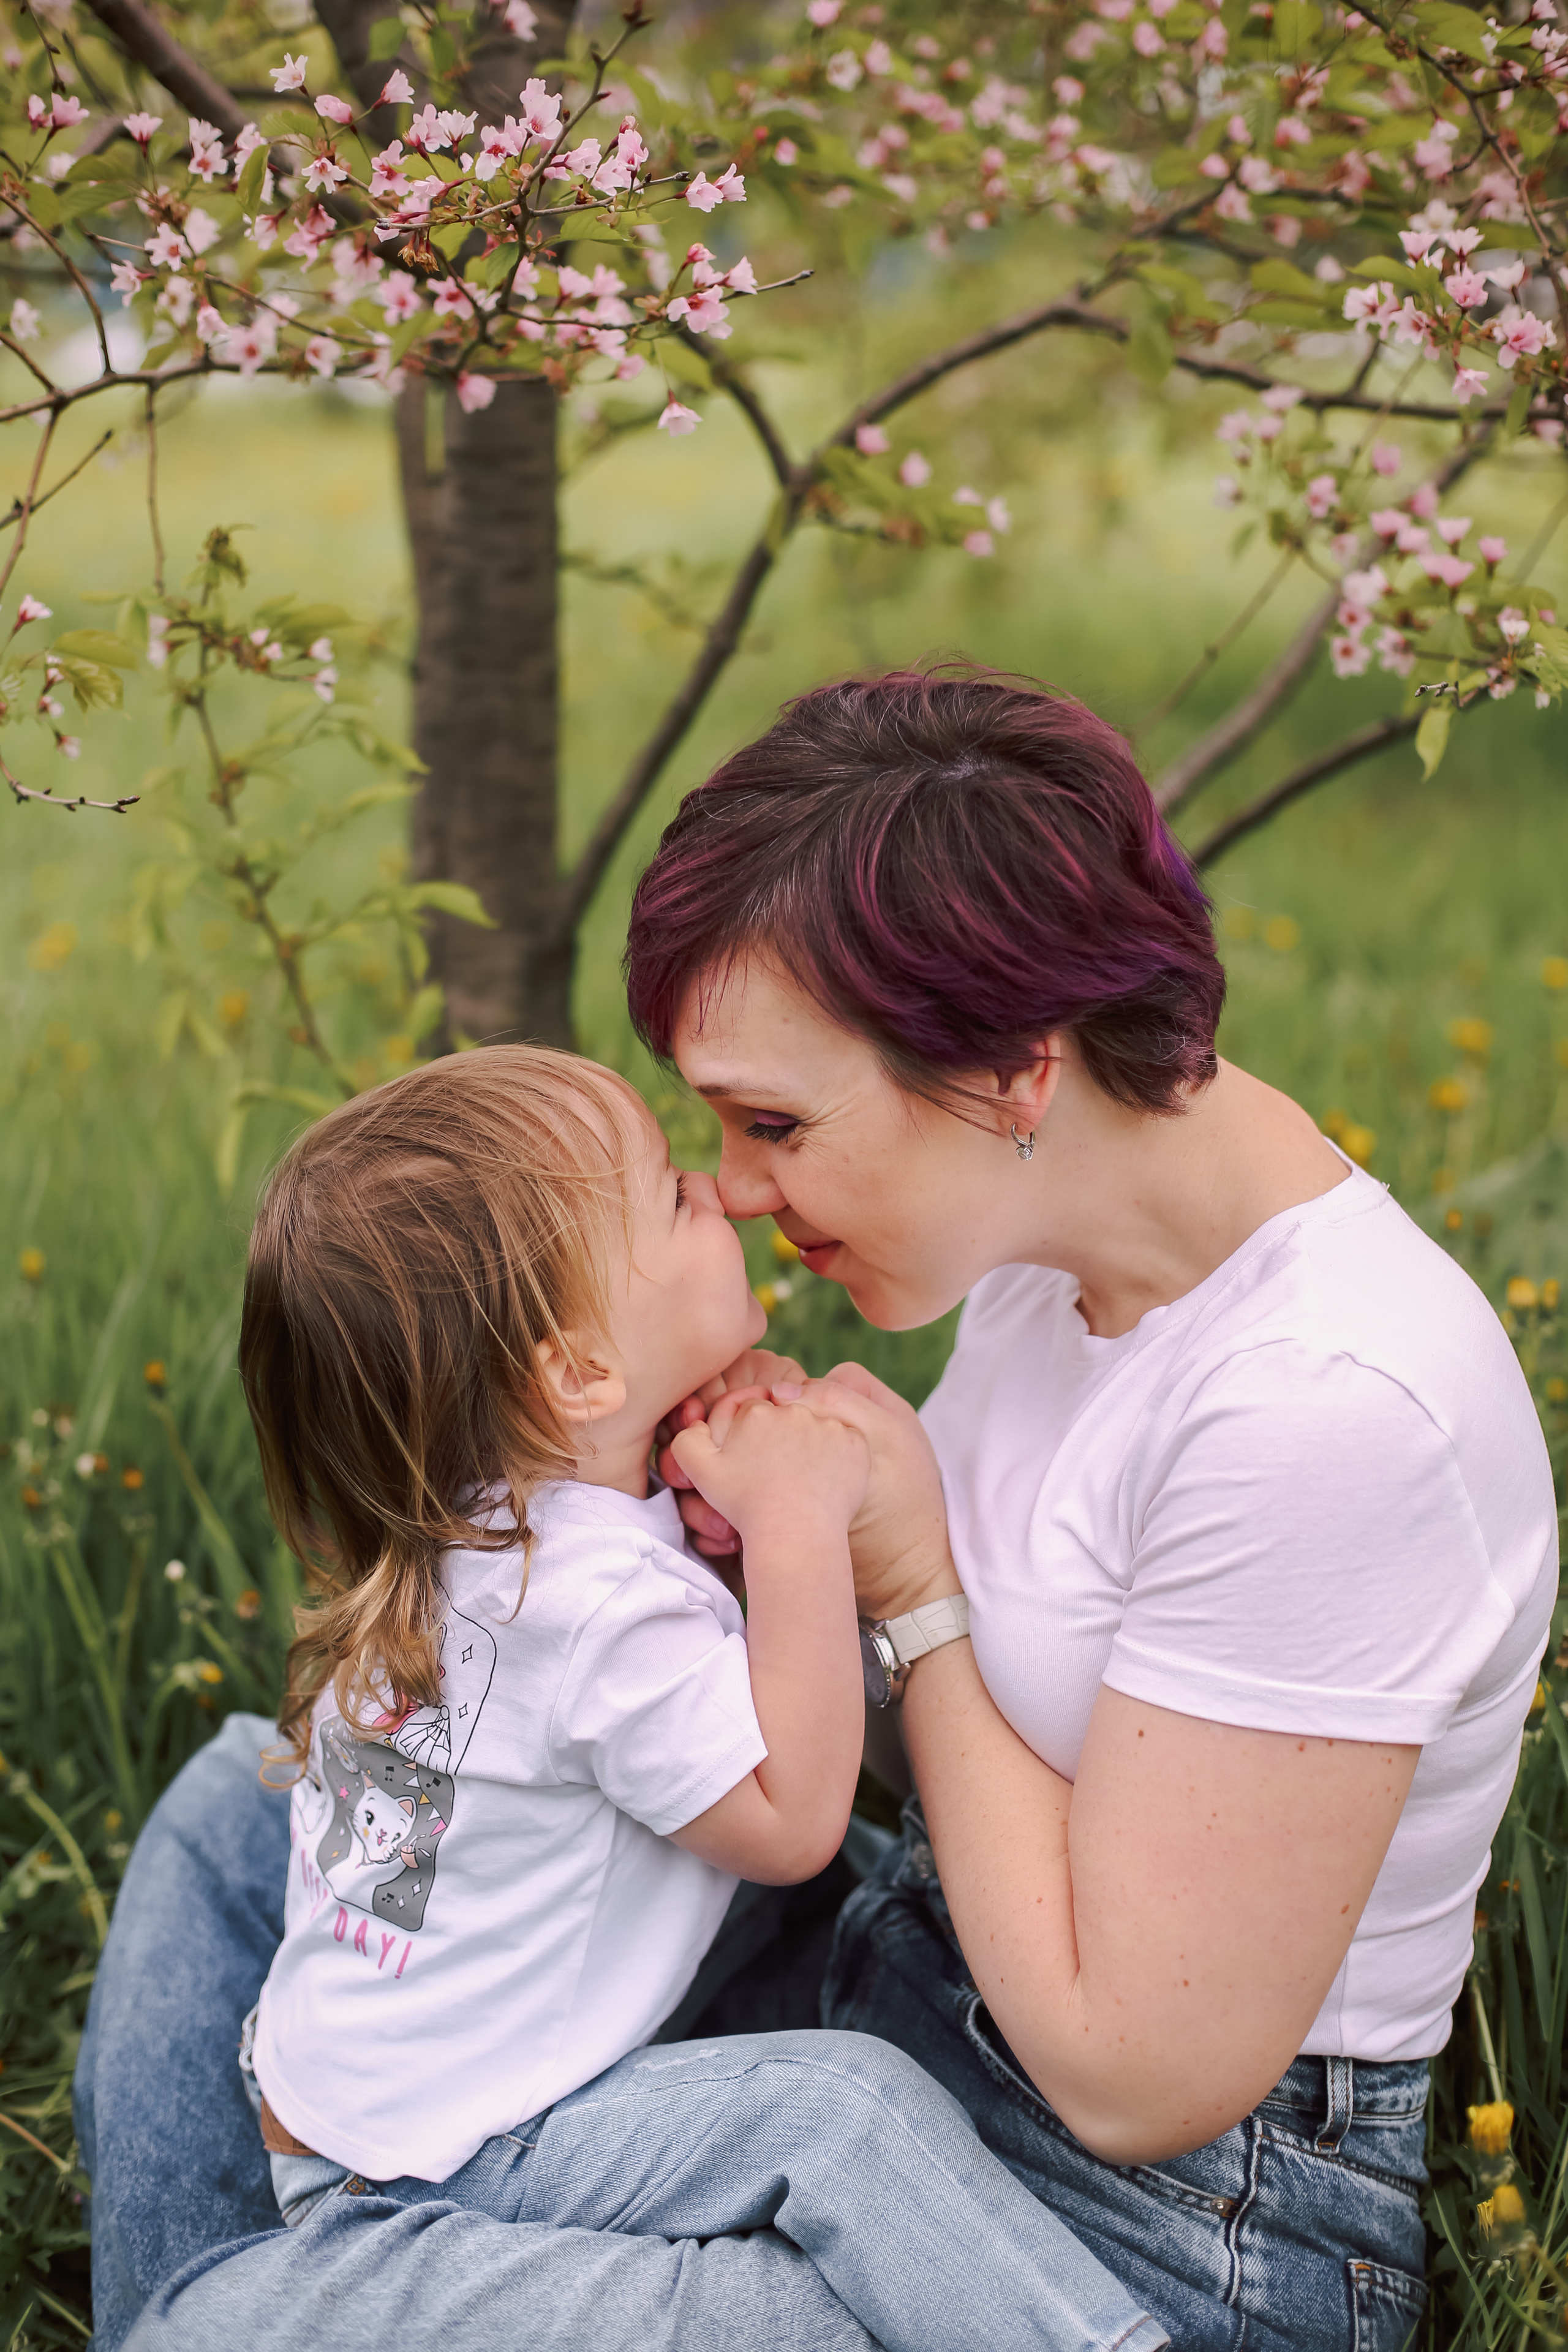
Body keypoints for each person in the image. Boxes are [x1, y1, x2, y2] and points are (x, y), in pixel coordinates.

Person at [625, 666, 1559, 2352]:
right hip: (897, 2006)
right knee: (237, 1841)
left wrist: (908, 1585)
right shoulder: (1049, 1252)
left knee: (298, 2315)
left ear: (1010, 1070)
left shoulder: (1328, 1410)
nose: (744, 1191)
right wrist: (775, 1559)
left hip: (1166, 2228)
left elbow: (1136, 2069)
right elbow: (993, 1744)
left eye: (774, 1125)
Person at [224, 1043, 1163, 2352]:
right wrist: (795, 1523)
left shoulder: (486, 1543)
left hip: (349, 2089)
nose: (721, 1198)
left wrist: (718, 1489)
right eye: (669, 1195)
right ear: (577, 1379)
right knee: (838, 2116)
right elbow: (791, 1825)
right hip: (455, 2160)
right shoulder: (598, 1612)